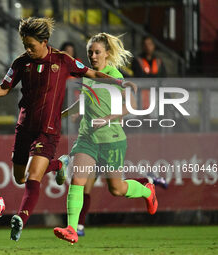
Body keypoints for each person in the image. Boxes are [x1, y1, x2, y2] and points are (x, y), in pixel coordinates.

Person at [0, 17, 137, 242]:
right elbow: (4, 89)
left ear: (44, 42)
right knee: (20, 177)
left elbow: (92, 74)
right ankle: (60, 164)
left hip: (48, 130)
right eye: (25, 45)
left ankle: (21, 219)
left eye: (31, 46)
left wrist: (118, 83)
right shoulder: (20, 63)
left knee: (34, 176)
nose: (28, 50)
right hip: (24, 128)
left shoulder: (62, 60)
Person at [53, 32, 158, 244]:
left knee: (116, 189)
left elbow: (131, 107)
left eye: (97, 52)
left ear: (107, 54)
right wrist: (63, 113)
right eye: (90, 52)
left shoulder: (115, 76)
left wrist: (107, 119)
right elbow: (86, 101)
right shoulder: (88, 75)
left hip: (112, 139)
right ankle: (72, 228)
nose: (92, 56)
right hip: (87, 138)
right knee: (77, 180)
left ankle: (146, 190)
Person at [131, 36, 167, 109]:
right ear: (142, 46)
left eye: (149, 44)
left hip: (157, 92)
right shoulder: (137, 60)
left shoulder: (158, 60)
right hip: (141, 92)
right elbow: (138, 76)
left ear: (153, 46)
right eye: (145, 44)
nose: (147, 47)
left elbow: (163, 76)